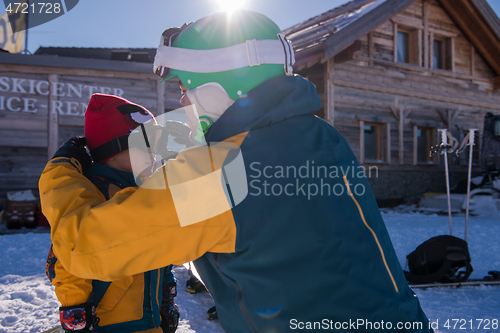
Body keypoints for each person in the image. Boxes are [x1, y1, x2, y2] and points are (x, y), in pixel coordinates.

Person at [40, 11, 433, 333]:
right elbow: (226, 150)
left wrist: (60, 171)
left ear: (215, 86)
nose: (181, 100)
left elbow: (85, 248)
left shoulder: (222, 177)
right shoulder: (319, 137)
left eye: (183, 88)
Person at [43, 94, 179, 333]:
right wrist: (76, 311)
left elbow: (160, 250)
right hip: (109, 323)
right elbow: (68, 259)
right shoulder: (93, 193)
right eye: (145, 145)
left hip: (151, 320)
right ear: (112, 151)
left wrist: (167, 295)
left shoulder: (145, 192)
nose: (154, 154)